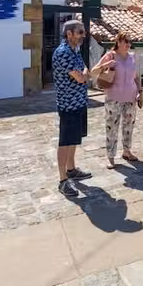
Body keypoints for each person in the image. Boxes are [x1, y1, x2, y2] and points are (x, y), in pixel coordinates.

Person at [52, 20, 93, 197]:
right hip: (68, 104)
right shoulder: (63, 53)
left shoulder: (74, 51)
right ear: (69, 34)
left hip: (78, 102)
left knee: (74, 139)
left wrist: (84, 73)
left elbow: (84, 68)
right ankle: (62, 181)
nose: (83, 36)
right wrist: (84, 74)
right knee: (65, 141)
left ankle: (71, 169)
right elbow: (81, 77)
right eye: (80, 32)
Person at [94, 32, 143, 169]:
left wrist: (140, 91)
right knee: (112, 128)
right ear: (118, 42)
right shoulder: (110, 56)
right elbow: (94, 71)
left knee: (129, 126)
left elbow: (136, 77)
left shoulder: (132, 57)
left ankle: (127, 151)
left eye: (129, 41)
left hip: (130, 97)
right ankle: (110, 157)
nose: (128, 44)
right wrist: (105, 65)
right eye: (125, 41)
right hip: (113, 98)